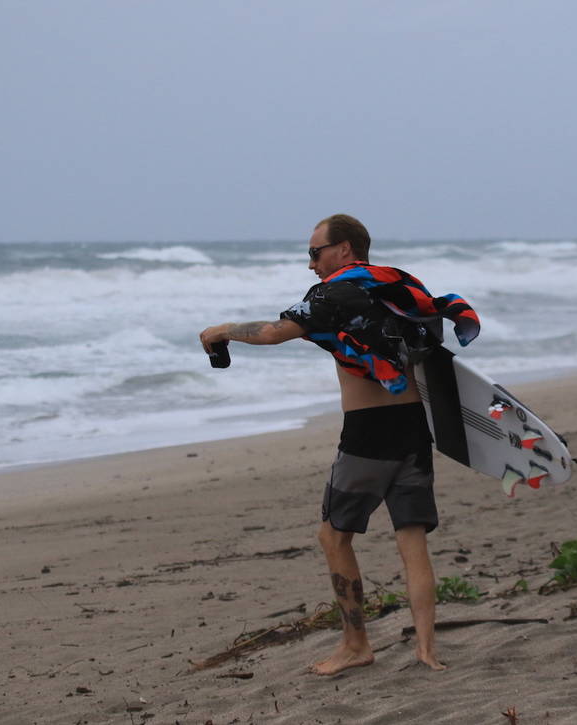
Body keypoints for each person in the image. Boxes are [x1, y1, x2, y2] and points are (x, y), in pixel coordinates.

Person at [199, 214, 478, 676]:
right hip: (414, 425)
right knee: (411, 540)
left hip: (369, 432)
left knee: (334, 536)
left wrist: (222, 330)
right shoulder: (400, 287)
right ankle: (427, 649)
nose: (311, 264)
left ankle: (356, 644)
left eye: (315, 252)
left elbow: (273, 332)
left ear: (344, 249)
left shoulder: (334, 293)